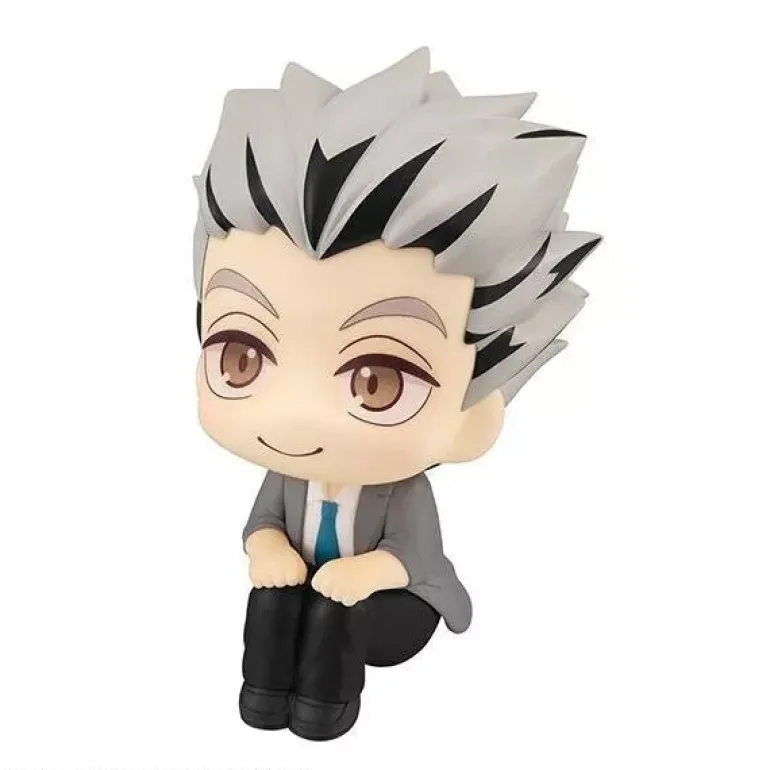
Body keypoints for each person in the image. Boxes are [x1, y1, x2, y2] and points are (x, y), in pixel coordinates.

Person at [193, 47, 600, 740]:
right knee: (272, 595)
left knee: (334, 610)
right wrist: (268, 550)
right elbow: (261, 526)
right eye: (243, 358)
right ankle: (262, 695)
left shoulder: (401, 491)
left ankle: (325, 710)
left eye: (375, 381)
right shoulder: (287, 473)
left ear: (473, 415)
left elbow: (412, 556)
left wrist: (362, 574)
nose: (297, 413)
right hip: (309, 590)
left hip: (394, 608)